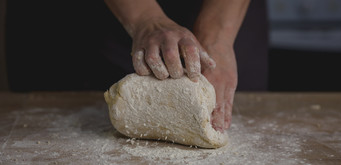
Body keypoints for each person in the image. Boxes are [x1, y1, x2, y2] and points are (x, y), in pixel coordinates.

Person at [103, 0, 268, 133]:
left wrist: (217, 38)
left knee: (219, 92)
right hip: (123, 14)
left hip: (227, 13)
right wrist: (147, 21)